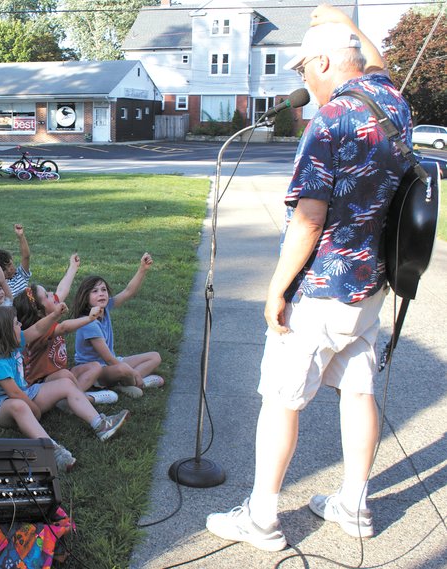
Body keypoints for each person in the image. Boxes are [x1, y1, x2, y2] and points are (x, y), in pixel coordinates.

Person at [205, 6, 414, 551]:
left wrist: (275, 289)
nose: (303, 80)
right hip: (370, 285)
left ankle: (263, 517)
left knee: (281, 398)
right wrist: (340, 16)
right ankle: (354, 504)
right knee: (359, 390)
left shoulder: (331, 120)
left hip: (319, 289)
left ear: (324, 61)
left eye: (304, 70)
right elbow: (379, 60)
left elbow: (308, 218)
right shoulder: (392, 104)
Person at [0, 305, 130, 473]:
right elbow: (14, 394)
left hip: (24, 393)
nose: (20, 326)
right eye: (16, 324)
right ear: (4, 334)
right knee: (19, 406)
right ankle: (52, 450)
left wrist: (54, 315)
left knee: (66, 384)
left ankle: (100, 424)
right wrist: (35, 410)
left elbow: (39, 328)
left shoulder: (13, 343)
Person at [13, 254, 113, 403]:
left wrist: (73, 268)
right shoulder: (38, 331)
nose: (53, 294)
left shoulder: (48, 311)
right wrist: (90, 318)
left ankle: (71, 397)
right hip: (41, 382)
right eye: (47, 295)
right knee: (65, 375)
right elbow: (64, 327)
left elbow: (62, 289)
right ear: (40, 312)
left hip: (58, 372)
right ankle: (79, 398)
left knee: (95, 367)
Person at [72, 253, 164, 399]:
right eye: (95, 291)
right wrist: (132, 371)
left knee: (155, 357)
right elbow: (108, 359)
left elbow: (129, 291)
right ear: (86, 297)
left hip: (113, 362)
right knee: (123, 369)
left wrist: (142, 269)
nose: (101, 294)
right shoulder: (88, 323)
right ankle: (135, 382)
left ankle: (127, 384)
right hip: (96, 371)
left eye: (103, 290)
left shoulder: (105, 307)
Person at [0, 226, 31, 298]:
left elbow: (26, 256)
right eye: (3, 269)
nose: (9, 270)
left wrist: (21, 236)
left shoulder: (21, 274)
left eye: (9, 264)